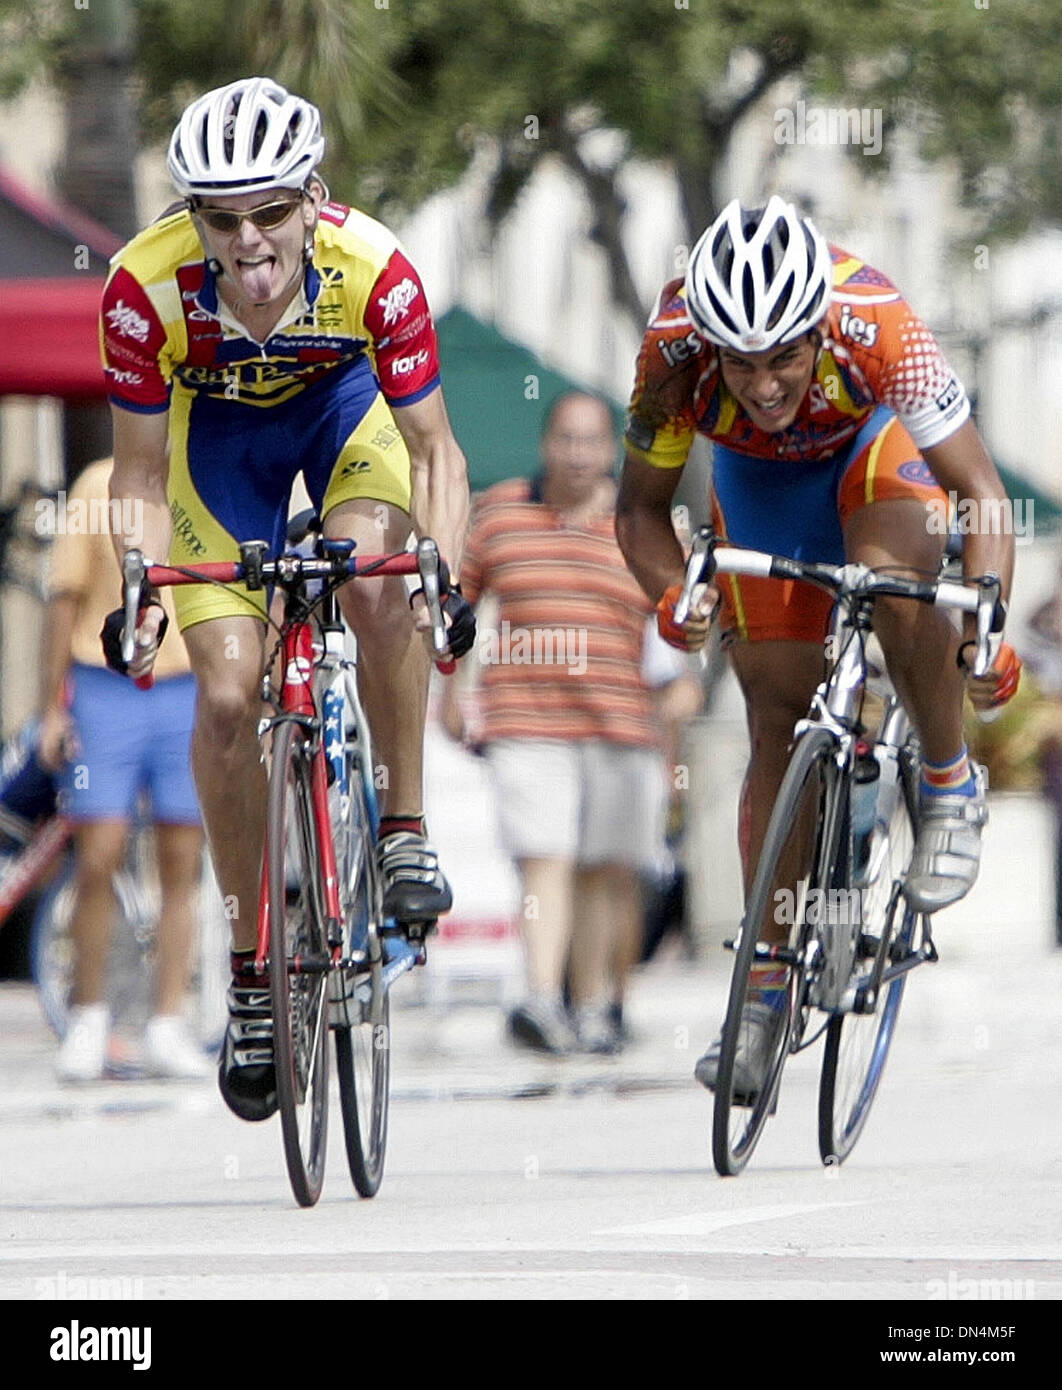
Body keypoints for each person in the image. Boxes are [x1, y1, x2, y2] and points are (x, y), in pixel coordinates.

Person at [98, 77, 475, 1121]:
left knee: (376, 588)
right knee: (224, 699)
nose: (249, 242)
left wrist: (440, 565)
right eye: (222, 219)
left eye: (270, 212)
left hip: (346, 421)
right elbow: (134, 475)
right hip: (217, 453)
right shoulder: (141, 288)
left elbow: (437, 449)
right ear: (194, 219)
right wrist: (140, 588)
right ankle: (254, 972)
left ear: (313, 199)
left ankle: (401, 829)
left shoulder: (377, 270)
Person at [615, 197, 1021, 1096]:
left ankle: (948, 782)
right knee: (771, 712)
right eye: (741, 363)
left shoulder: (876, 321)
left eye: (785, 358)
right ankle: (761, 993)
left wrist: (986, 620)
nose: (763, 385)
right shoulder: (672, 350)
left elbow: (983, 492)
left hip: (873, 454)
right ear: (707, 344)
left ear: (817, 330)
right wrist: (672, 593)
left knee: (891, 581)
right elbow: (639, 512)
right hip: (761, 484)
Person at [444, 391, 682, 1054]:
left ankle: (600, 1004)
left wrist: (676, 719)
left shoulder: (642, 524)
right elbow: (453, 609)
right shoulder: (498, 515)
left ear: (610, 451)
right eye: (566, 440)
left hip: (622, 719)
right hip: (526, 718)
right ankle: (543, 999)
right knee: (544, 858)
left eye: (590, 442)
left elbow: (678, 630)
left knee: (609, 869)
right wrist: (449, 692)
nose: (577, 455)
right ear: (545, 443)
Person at [39, 458, 210, 1082]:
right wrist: (50, 707)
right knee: (97, 854)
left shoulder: (200, 470)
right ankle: (88, 1014)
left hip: (183, 685)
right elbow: (64, 596)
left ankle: (168, 1020)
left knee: (180, 867)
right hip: (104, 682)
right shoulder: (96, 481)